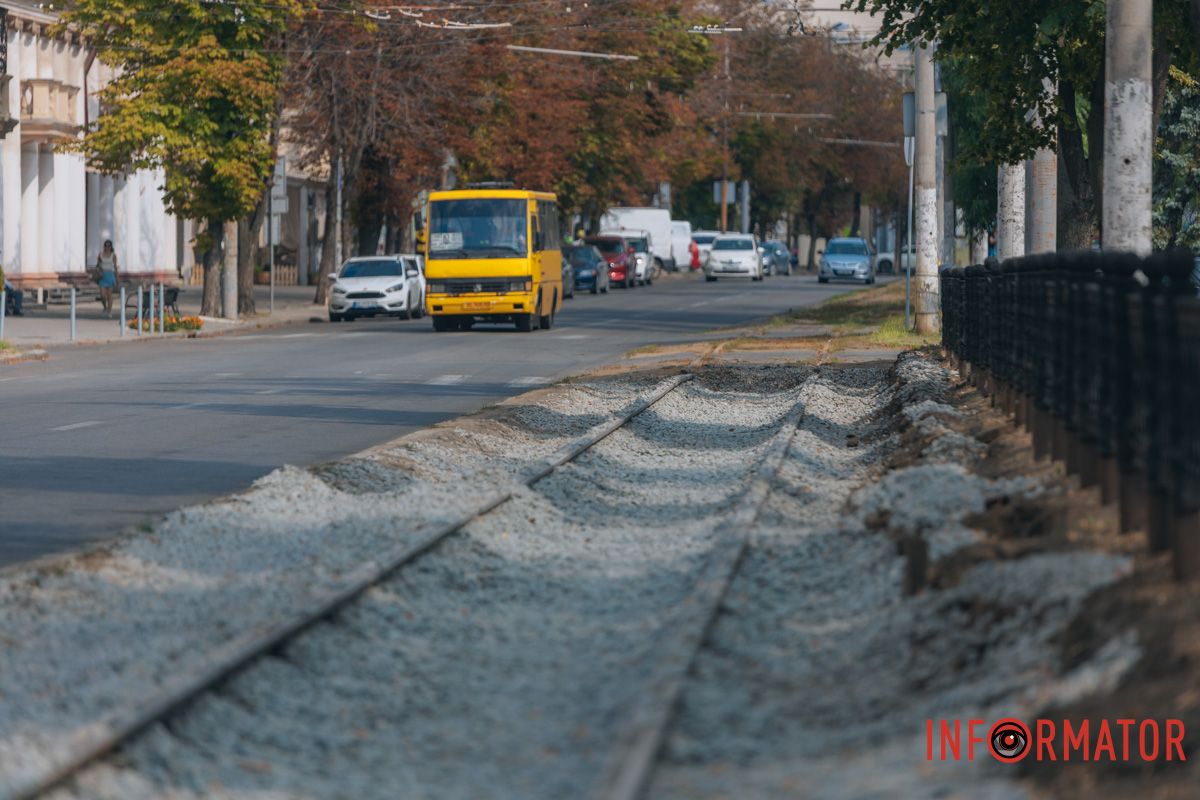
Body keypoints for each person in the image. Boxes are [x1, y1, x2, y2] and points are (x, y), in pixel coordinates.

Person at [95, 240, 119, 317]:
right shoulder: (100, 254)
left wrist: (117, 277)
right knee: (102, 295)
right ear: (104, 246)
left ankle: (109, 311)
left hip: (110, 275)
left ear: (111, 246)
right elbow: (97, 265)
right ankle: (105, 307)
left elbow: (115, 267)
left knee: (109, 295)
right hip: (103, 275)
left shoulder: (113, 255)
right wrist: (99, 269)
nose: (107, 247)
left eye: (109, 246)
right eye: (106, 245)